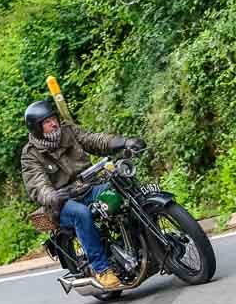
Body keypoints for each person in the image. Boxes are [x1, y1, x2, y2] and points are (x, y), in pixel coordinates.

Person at [21, 101, 146, 289]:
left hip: (88, 188)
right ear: (37, 128)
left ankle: (136, 242)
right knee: (81, 214)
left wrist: (123, 142)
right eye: (47, 122)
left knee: (118, 190)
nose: (54, 124)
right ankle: (102, 269)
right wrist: (52, 196)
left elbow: (94, 140)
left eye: (54, 119)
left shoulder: (68, 132)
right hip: (61, 203)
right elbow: (37, 184)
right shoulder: (30, 155)